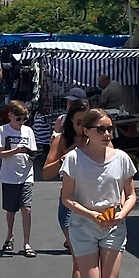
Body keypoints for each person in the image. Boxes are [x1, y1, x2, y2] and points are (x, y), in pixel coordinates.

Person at [60, 110, 137, 278]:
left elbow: (131, 194)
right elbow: (67, 198)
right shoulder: (74, 158)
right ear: (87, 131)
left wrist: (121, 213)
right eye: (100, 129)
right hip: (84, 224)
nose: (107, 134)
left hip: (114, 224)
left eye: (109, 129)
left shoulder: (122, 158)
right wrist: (91, 214)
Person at [41, 98, 90, 260]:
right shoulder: (61, 140)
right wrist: (65, 158)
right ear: (71, 121)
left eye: (87, 122)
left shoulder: (97, 138)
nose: (83, 127)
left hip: (93, 195)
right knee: (69, 230)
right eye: (79, 122)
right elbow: (46, 173)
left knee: (85, 251)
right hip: (71, 195)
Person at [0, 100, 38, 256]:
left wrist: (30, 153)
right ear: (10, 116)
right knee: (11, 210)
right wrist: (16, 150)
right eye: (19, 118)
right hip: (9, 176)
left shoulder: (28, 131)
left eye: (25, 119)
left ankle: (27, 243)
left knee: (26, 208)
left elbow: (33, 152)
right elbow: (1, 154)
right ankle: (10, 235)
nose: (22, 122)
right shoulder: (3, 130)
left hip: (26, 174)